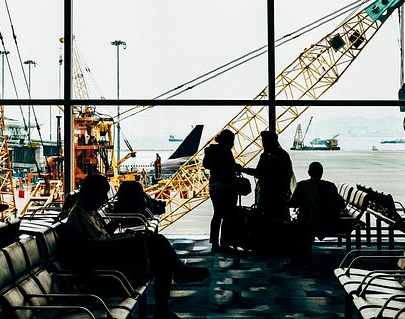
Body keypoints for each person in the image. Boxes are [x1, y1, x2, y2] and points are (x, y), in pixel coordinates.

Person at [61, 175, 209, 319]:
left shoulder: (86, 213)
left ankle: (168, 297)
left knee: (160, 256)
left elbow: (101, 238)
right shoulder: (80, 216)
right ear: (92, 194)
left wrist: (124, 231)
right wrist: (129, 239)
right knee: (158, 246)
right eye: (101, 195)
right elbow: (99, 244)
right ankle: (174, 282)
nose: (104, 200)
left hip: (107, 257)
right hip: (105, 267)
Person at [284, 162, 343, 268]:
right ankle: (304, 256)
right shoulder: (330, 186)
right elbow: (341, 204)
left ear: (309, 172)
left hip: (310, 222)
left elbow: (294, 203)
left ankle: (297, 259)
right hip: (328, 222)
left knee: (293, 229)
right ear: (322, 173)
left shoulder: (303, 186)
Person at [202, 129, 242, 252]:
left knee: (217, 214)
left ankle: (214, 243)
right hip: (227, 186)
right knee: (228, 215)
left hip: (214, 185)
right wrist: (238, 167)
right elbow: (230, 166)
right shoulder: (226, 151)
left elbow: (206, 165)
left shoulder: (211, 150)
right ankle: (225, 242)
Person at [242, 131, 294, 223]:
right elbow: (287, 175)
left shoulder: (265, 156)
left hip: (268, 194)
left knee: (267, 219)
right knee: (280, 219)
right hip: (280, 193)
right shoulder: (283, 155)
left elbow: (259, 173)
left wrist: (244, 170)